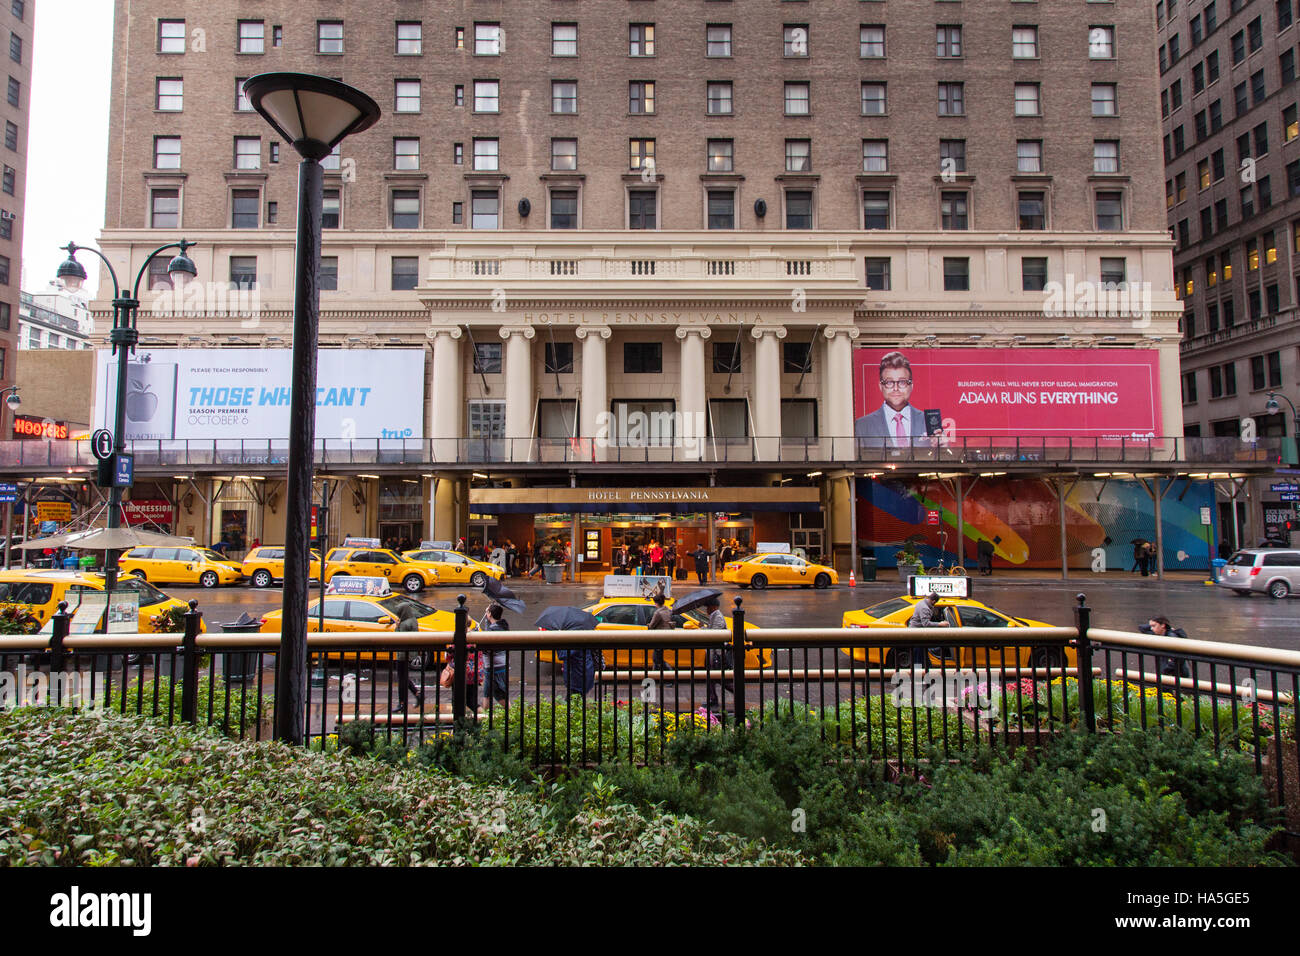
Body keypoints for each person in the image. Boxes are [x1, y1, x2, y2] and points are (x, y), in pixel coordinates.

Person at [855, 351, 932, 448]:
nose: (896, 388)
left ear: (911, 386)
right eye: (889, 382)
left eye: (902, 382)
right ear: (880, 386)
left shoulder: (927, 421)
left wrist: (945, 448)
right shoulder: (862, 425)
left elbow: (943, 457)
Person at [391, 606, 425, 713]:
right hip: (410, 653)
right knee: (403, 677)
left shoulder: (404, 624)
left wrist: (397, 627)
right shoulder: (413, 620)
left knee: (402, 678)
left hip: (402, 654)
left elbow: (397, 637)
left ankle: (402, 703)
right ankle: (417, 694)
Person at [1138, 616, 1191, 680]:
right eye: (1151, 626)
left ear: (1163, 625)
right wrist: (1153, 624)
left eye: (1154, 626)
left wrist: (1166, 670)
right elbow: (1141, 628)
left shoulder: (1172, 636)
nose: (1151, 628)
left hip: (1176, 673)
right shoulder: (1158, 633)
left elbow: (1179, 658)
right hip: (1166, 672)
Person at [906, 591, 952, 663]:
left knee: (920, 655)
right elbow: (926, 623)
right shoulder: (925, 608)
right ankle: (918, 671)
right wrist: (940, 624)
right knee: (918, 656)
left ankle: (923, 669)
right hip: (917, 635)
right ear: (933, 601)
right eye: (935, 603)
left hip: (916, 633)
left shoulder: (921, 602)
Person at [703, 597, 730, 712]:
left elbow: (714, 634)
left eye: (708, 607)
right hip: (712, 653)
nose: (706, 610)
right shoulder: (713, 616)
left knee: (718, 678)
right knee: (711, 678)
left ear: (713, 607)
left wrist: (703, 631)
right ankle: (712, 699)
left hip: (716, 654)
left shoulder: (718, 617)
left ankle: (738, 694)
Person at [481, 602, 510, 704]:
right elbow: (489, 628)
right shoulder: (501, 626)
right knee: (487, 695)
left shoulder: (493, 631)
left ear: (490, 614)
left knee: (500, 696)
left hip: (494, 668)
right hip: (497, 666)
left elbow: (487, 647)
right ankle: (486, 717)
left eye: (488, 612)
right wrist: (487, 615)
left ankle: (511, 716)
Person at [647, 590, 673, 671]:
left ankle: (670, 673)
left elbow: (651, 626)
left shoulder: (658, 613)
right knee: (657, 658)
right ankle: (656, 677)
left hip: (659, 638)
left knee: (656, 659)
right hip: (666, 637)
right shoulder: (667, 610)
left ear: (656, 602)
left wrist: (648, 625)